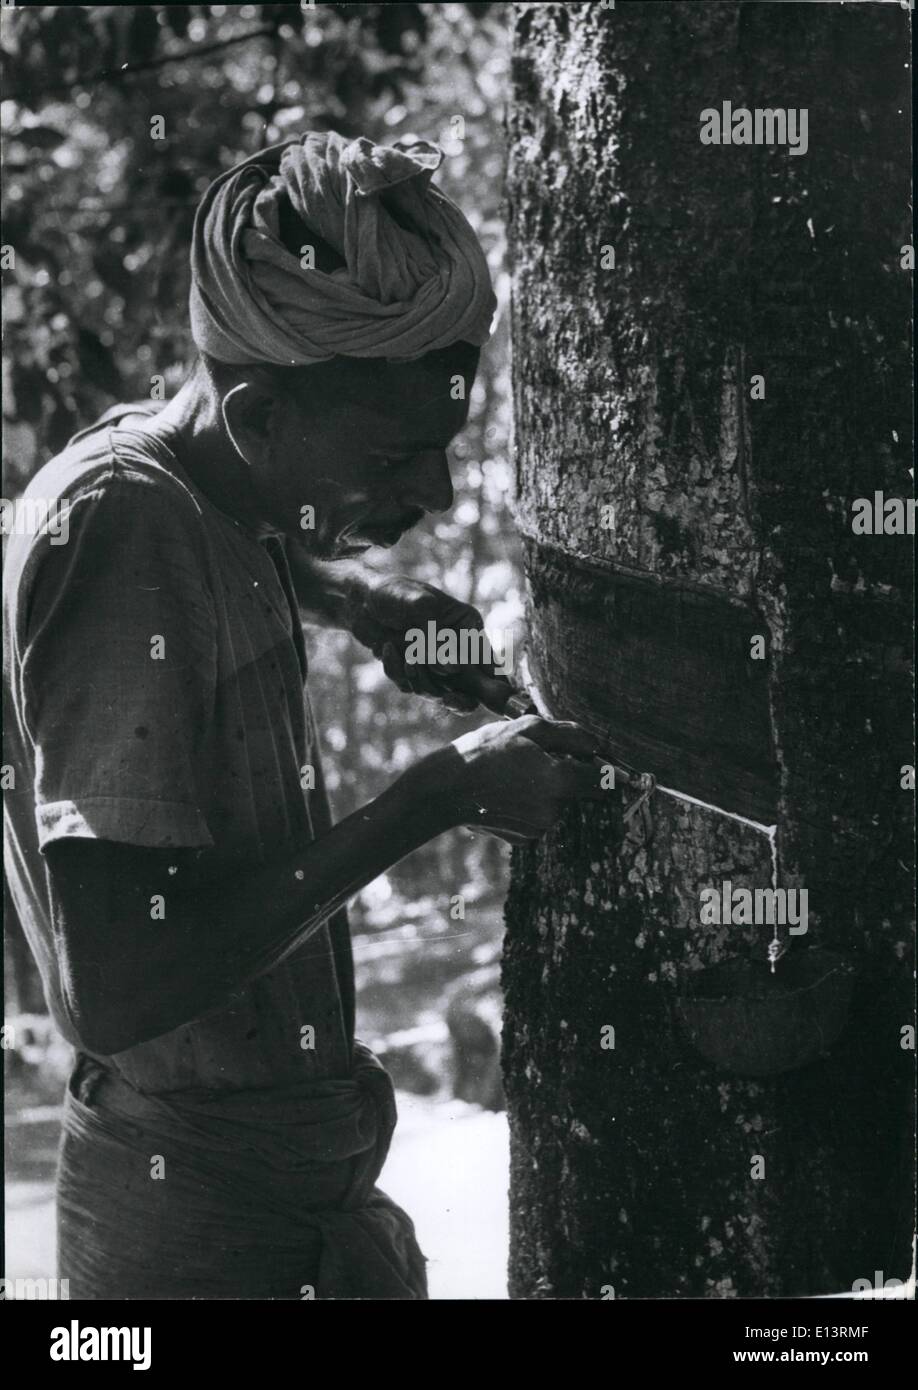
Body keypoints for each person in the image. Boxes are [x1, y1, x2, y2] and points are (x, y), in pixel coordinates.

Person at [3, 130, 604, 1299]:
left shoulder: (190, 478)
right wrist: (437, 797)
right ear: (258, 411)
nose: (429, 493)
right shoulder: (120, 528)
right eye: (394, 455)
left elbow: (225, 541)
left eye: (443, 451)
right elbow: (118, 987)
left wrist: (359, 598)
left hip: (281, 1191)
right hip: (195, 1233)